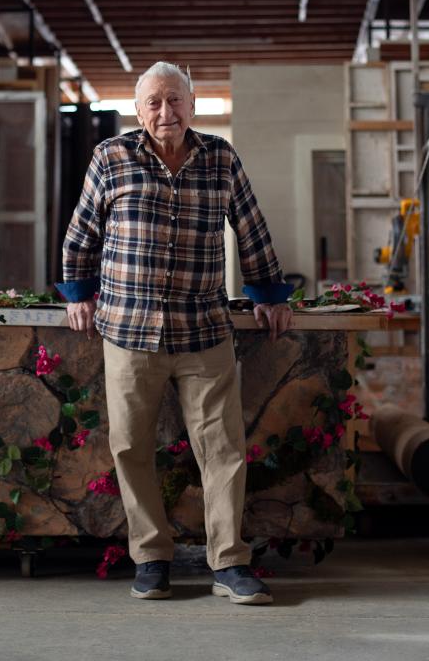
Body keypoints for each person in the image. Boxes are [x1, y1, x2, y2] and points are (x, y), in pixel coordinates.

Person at [57, 61, 293, 605]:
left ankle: (230, 564)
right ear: (138, 110)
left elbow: (251, 227)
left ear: (193, 104)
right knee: (131, 446)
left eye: (175, 100)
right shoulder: (110, 157)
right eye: (154, 103)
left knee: (223, 449)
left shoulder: (220, 158)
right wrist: (77, 291)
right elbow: (82, 230)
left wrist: (269, 295)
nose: (166, 111)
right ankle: (151, 558)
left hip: (203, 330)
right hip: (127, 328)